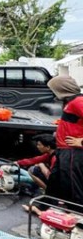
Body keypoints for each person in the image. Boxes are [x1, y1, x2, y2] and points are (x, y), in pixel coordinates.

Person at [45, 75, 83, 209]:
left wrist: (81, 141)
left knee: (72, 185)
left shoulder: (78, 102)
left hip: (73, 151)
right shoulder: (70, 102)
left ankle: (78, 218)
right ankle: (45, 208)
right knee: (55, 181)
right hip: (63, 150)